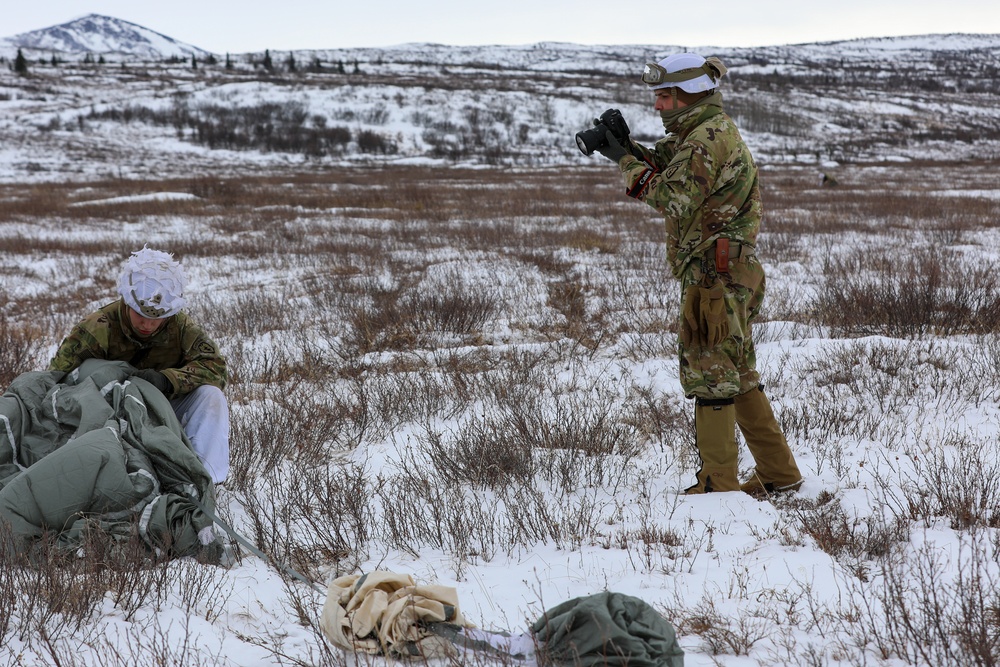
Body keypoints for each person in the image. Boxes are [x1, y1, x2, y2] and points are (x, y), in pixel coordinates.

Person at [587, 53, 802, 496]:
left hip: (714, 275)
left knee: (710, 371)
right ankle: (778, 474)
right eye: (657, 96)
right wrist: (624, 147)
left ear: (691, 93)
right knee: (735, 371)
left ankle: (717, 485)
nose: (658, 105)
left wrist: (626, 165)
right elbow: (666, 164)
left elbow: (671, 196)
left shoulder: (706, 138)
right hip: (726, 270)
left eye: (664, 96)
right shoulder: (701, 133)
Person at [48, 247, 231, 484]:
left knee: (211, 396)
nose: (147, 324)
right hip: (107, 416)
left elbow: (216, 369)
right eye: (140, 315)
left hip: (161, 410)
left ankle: (205, 479)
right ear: (126, 301)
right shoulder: (98, 327)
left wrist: (167, 380)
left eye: (157, 318)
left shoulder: (181, 327)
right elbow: (57, 378)